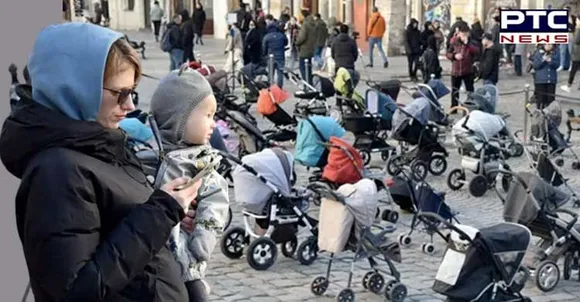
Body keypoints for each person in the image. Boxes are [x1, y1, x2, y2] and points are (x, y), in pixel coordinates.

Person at [0, 22, 201, 301]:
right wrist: (159, 214)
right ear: (75, 89)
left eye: (133, 92)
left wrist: (169, 210)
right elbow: (76, 292)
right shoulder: (56, 173)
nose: (130, 105)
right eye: (120, 93)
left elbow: (123, 228)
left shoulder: (99, 141)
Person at [149, 67, 230, 302]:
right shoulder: (147, 156)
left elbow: (216, 204)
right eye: (207, 116)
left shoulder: (202, 166)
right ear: (180, 119)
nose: (213, 124)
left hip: (187, 266)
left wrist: (202, 239)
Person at [446, 25, 479, 107]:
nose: (464, 35)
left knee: (470, 90)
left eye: (466, 34)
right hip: (456, 71)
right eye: (462, 33)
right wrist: (454, 56)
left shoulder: (472, 42)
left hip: (468, 70)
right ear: (459, 33)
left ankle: (470, 105)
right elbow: (448, 54)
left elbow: (476, 52)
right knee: (455, 90)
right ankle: (454, 107)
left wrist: (467, 44)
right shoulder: (454, 42)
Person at [532, 43, 560, 109]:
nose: (549, 46)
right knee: (541, 100)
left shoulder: (555, 52)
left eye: (550, 44)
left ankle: (550, 115)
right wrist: (543, 60)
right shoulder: (538, 52)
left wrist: (550, 61)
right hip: (540, 80)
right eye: (547, 44)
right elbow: (535, 65)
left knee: (551, 100)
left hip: (551, 80)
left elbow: (557, 65)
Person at [263, 21, 289, 88]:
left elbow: (264, 47)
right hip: (280, 56)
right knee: (280, 72)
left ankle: (270, 86)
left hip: (270, 57)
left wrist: (264, 54)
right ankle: (279, 87)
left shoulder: (266, 37)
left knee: (271, 72)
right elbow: (286, 43)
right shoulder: (281, 35)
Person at [295, 9, 317, 84]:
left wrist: (297, 42)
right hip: (311, 48)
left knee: (303, 68)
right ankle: (310, 83)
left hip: (304, 48)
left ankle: (306, 84)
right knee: (308, 67)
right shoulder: (313, 23)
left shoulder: (305, 24)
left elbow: (302, 37)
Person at [562, 26, 580, 92]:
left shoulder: (579, 28)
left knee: (573, 70)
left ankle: (568, 86)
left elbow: (577, 40)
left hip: (577, 53)